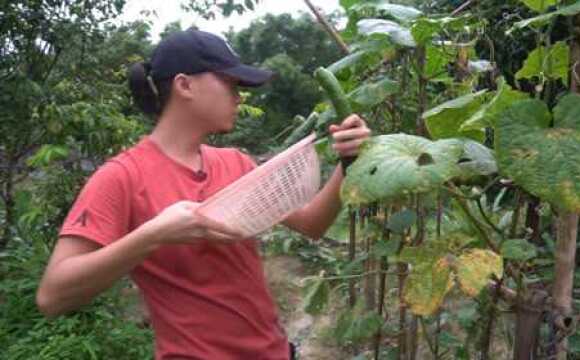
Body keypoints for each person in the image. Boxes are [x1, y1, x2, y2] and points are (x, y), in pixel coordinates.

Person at [36, 29, 370, 359]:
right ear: (185, 85)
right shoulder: (122, 177)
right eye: (230, 83)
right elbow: (53, 296)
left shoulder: (235, 163)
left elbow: (312, 224)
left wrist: (347, 162)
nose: (239, 96)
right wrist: (152, 235)